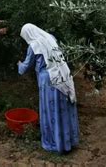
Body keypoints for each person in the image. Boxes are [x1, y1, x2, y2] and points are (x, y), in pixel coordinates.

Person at [18, 23, 79, 154]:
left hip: (48, 80)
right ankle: (68, 142)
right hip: (62, 76)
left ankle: (54, 143)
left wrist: (19, 65)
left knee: (51, 111)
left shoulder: (34, 46)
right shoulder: (51, 38)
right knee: (62, 109)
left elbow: (25, 67)